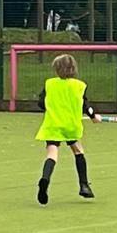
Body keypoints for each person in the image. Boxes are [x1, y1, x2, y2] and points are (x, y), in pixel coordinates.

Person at [35, 52, 98, 205]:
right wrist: (93, 116)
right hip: (71, 125)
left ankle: (45, 179)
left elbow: (41, 103)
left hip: (53, 124)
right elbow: (86, 105)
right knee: (78, 151)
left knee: (52, 154)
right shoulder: (79, 86)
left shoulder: (50, 84)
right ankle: (84, 185)